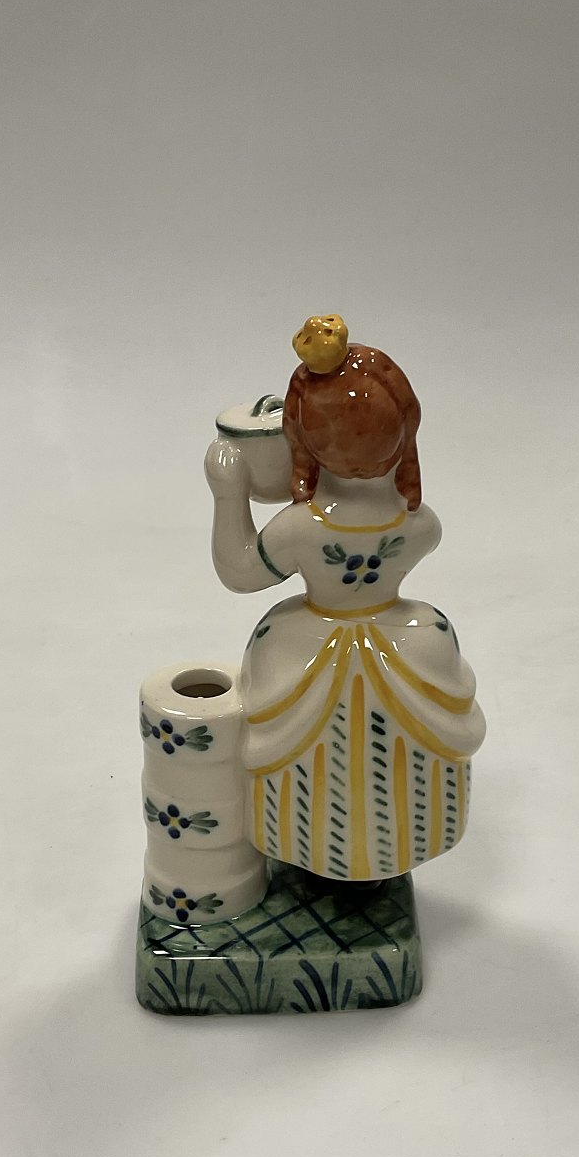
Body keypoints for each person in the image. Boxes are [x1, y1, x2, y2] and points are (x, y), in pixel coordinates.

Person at [205, 315, 485, 881]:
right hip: (402, 638)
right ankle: (389, 843)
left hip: (307, 642)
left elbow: (239, 571)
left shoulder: (304, 527)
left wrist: (228, 495)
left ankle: (313, 844)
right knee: (397, 741)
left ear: (300, 440)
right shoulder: (419, 524)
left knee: (299, 731)